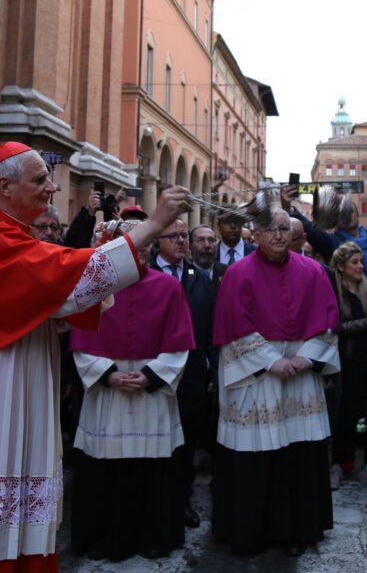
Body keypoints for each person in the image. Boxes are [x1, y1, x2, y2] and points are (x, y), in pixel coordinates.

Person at [0, 141, 190, 572]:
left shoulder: (11, 235)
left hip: (20, 374)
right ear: (5, 187)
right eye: (40, 179)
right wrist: (154, 223)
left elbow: (59, 300)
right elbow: (73, 278)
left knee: (20, 488)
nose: (51, 187)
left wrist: (101, 248)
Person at [211, 208, 340, 557]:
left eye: (284, 229)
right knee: (256, 455)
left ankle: (297, 529)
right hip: (257, 379)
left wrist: (306, 358)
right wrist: (271, 361)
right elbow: (233, 328)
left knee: (298, 453)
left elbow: (329, 321)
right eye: (270, 229)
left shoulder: (314, 271)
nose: (278, 235)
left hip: (300, 375)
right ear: (255, 234)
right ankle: (251, 531)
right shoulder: (238, 274)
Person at [69, 232, 195, 560]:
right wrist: (108, 375)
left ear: (149, 250)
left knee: (153, 470)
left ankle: (154, 536)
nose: (134, 257)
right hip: (108, 392)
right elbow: (80, 343)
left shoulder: (169, 287)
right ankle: (104, 538)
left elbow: (180, 344)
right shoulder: (95, 288)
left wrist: (150, 376)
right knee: (104, 467)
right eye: (127, 251)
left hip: (150, 392)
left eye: (140, 250)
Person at [151, 217, 218, 528]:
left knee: (186, 444)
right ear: (158, 241)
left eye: (182, 235)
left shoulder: (199, 279)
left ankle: (182, 501)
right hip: (152, 375)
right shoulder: (146, 273)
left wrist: (211, 369)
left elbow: (209, 329)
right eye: (172, 235)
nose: (179, 241)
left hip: (191, 376)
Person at [329, 241, 367, 487]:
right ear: (341, 266)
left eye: (361, 261)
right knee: (347, 413)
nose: (360, 266)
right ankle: (339, 463)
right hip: (349, 361)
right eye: (354, 262)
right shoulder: (335, 291)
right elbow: (337, 328)